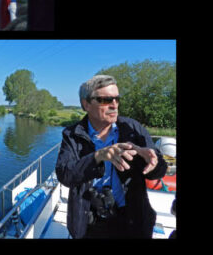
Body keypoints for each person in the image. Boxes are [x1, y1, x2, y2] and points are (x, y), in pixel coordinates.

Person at [55, 74, 167, 238]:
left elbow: (159, 171)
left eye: (117, 98)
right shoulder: (72, 135)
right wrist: (98, 156)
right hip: (90, 222)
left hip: (132, 219)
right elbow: (65, 175)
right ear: (86, 104)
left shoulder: (133, 129)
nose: (114, 105)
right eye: (105, 100)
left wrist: (152, 161)